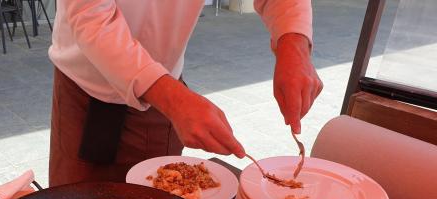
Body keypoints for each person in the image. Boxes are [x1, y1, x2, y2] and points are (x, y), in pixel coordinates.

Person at [48, 1, 323, 187]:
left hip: (161, 93)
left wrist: (294, 42)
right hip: (84, 89)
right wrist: (175, 100)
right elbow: (91, 16)